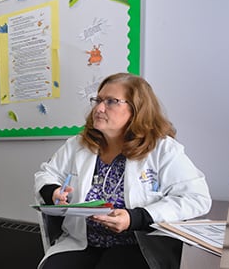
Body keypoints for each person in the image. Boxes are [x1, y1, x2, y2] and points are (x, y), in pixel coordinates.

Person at [34, 73, 212, 268]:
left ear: (137, 109)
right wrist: (53, 191)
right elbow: (47, 174)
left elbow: (196, 198)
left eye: (111, 101)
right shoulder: (78, 145)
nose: (99, 108)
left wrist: (135, 217)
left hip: (138, 244)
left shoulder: (162, 149)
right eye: (98, 100)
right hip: (83, 242)